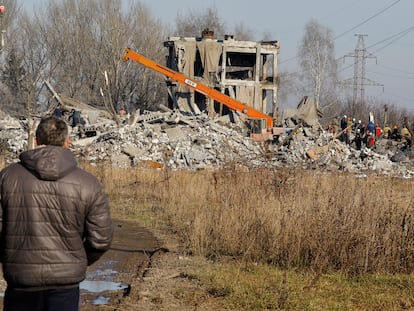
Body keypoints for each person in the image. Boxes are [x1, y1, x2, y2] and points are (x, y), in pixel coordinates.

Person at [0, 116, 113, 311]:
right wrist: (75, 258)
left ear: (35, 142)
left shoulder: (7, 177)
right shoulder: (88, 183)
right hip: (65, 285)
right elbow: (101, 239)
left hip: (21, 282)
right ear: (67, 142)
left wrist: (12, 256)